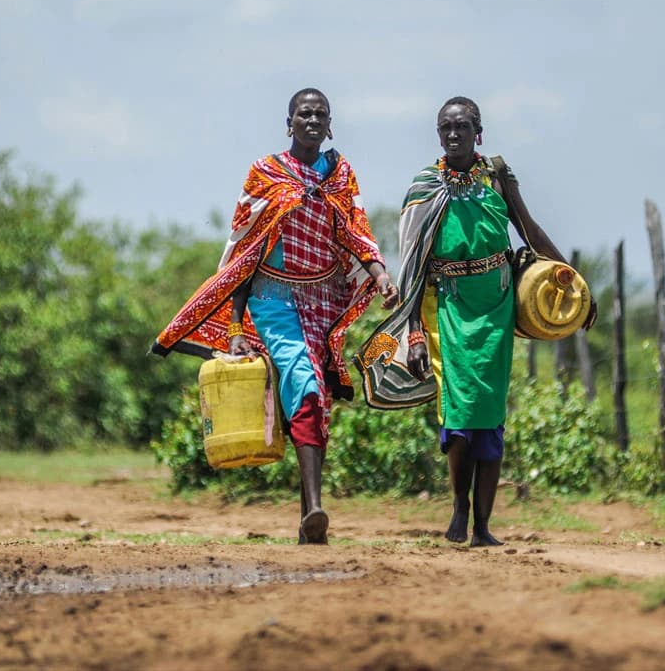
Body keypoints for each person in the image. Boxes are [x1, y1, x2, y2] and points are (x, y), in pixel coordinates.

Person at [152, 87, 398, 544]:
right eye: (304, 113)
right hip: (273, 301)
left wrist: (380, 275)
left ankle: (309, 520)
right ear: (289, 122)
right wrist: (233, 326)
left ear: (330, 124)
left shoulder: (341, 175)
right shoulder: (265, 174)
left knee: (316, 401)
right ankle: (317, 508)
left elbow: (356, 233)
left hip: (325, 303)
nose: (312, 120)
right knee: (304, 384)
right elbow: (246, 253)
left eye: (320, 114)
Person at [355, 96, 594, 546]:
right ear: (438, 134)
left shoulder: (498, 178)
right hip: (444, 310)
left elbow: (530, 231)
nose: (453, 134)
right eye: (445, 127)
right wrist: (413, 333)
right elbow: (411, 266)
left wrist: (577, 284)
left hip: (496, 310)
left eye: (462, 126)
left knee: (489, 416)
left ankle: (484, 525)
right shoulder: (425, 187)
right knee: (459, 416)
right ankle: (460, 509)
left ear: (478, 132)